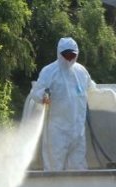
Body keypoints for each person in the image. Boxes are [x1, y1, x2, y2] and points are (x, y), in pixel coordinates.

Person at [29, 37, 96, 171]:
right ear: (59, 54)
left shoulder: (81, 72)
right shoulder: (49, 71)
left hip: (77, 131)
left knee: (78, 167)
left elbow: (91, 88)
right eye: (66, 55)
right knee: (55, 166)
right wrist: (43, 97)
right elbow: (35, 93)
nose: (69, 58)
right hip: (57, 131)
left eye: (73, 55)